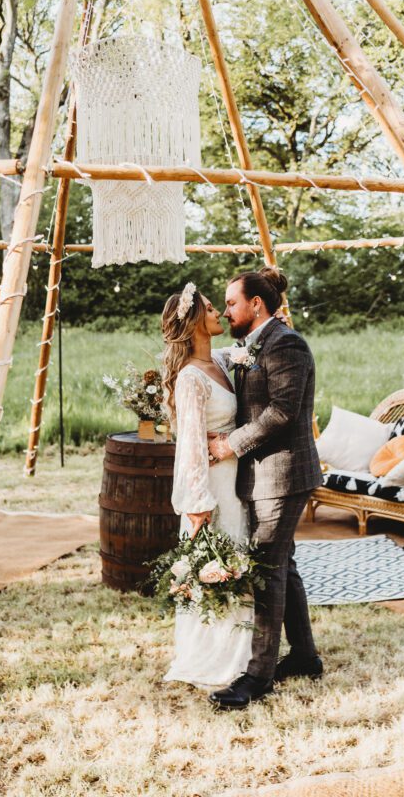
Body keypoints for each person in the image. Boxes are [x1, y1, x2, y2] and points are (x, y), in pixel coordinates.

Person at [208, 267, 323, 710]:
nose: (226, 310)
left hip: (284, 474)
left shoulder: (286, 344)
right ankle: (306, 657)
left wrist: (228, 445)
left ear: (257, 305)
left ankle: (258, 676)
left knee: (265, 570)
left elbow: (282, 414)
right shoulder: (251, 346)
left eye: (232, 302)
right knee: (283, 566)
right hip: (261, 476)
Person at [160, 282, 253, 688]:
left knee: (239, 558)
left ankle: (244, 651)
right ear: (196, 321)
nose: (220, 314)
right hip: (212, 486)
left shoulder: (218, 359)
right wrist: (198, 503)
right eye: (213, 309)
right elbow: (191, 446)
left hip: (237, 480)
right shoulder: (190, 379)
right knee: (216, 564)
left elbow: (252, 348)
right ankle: (213, 657)